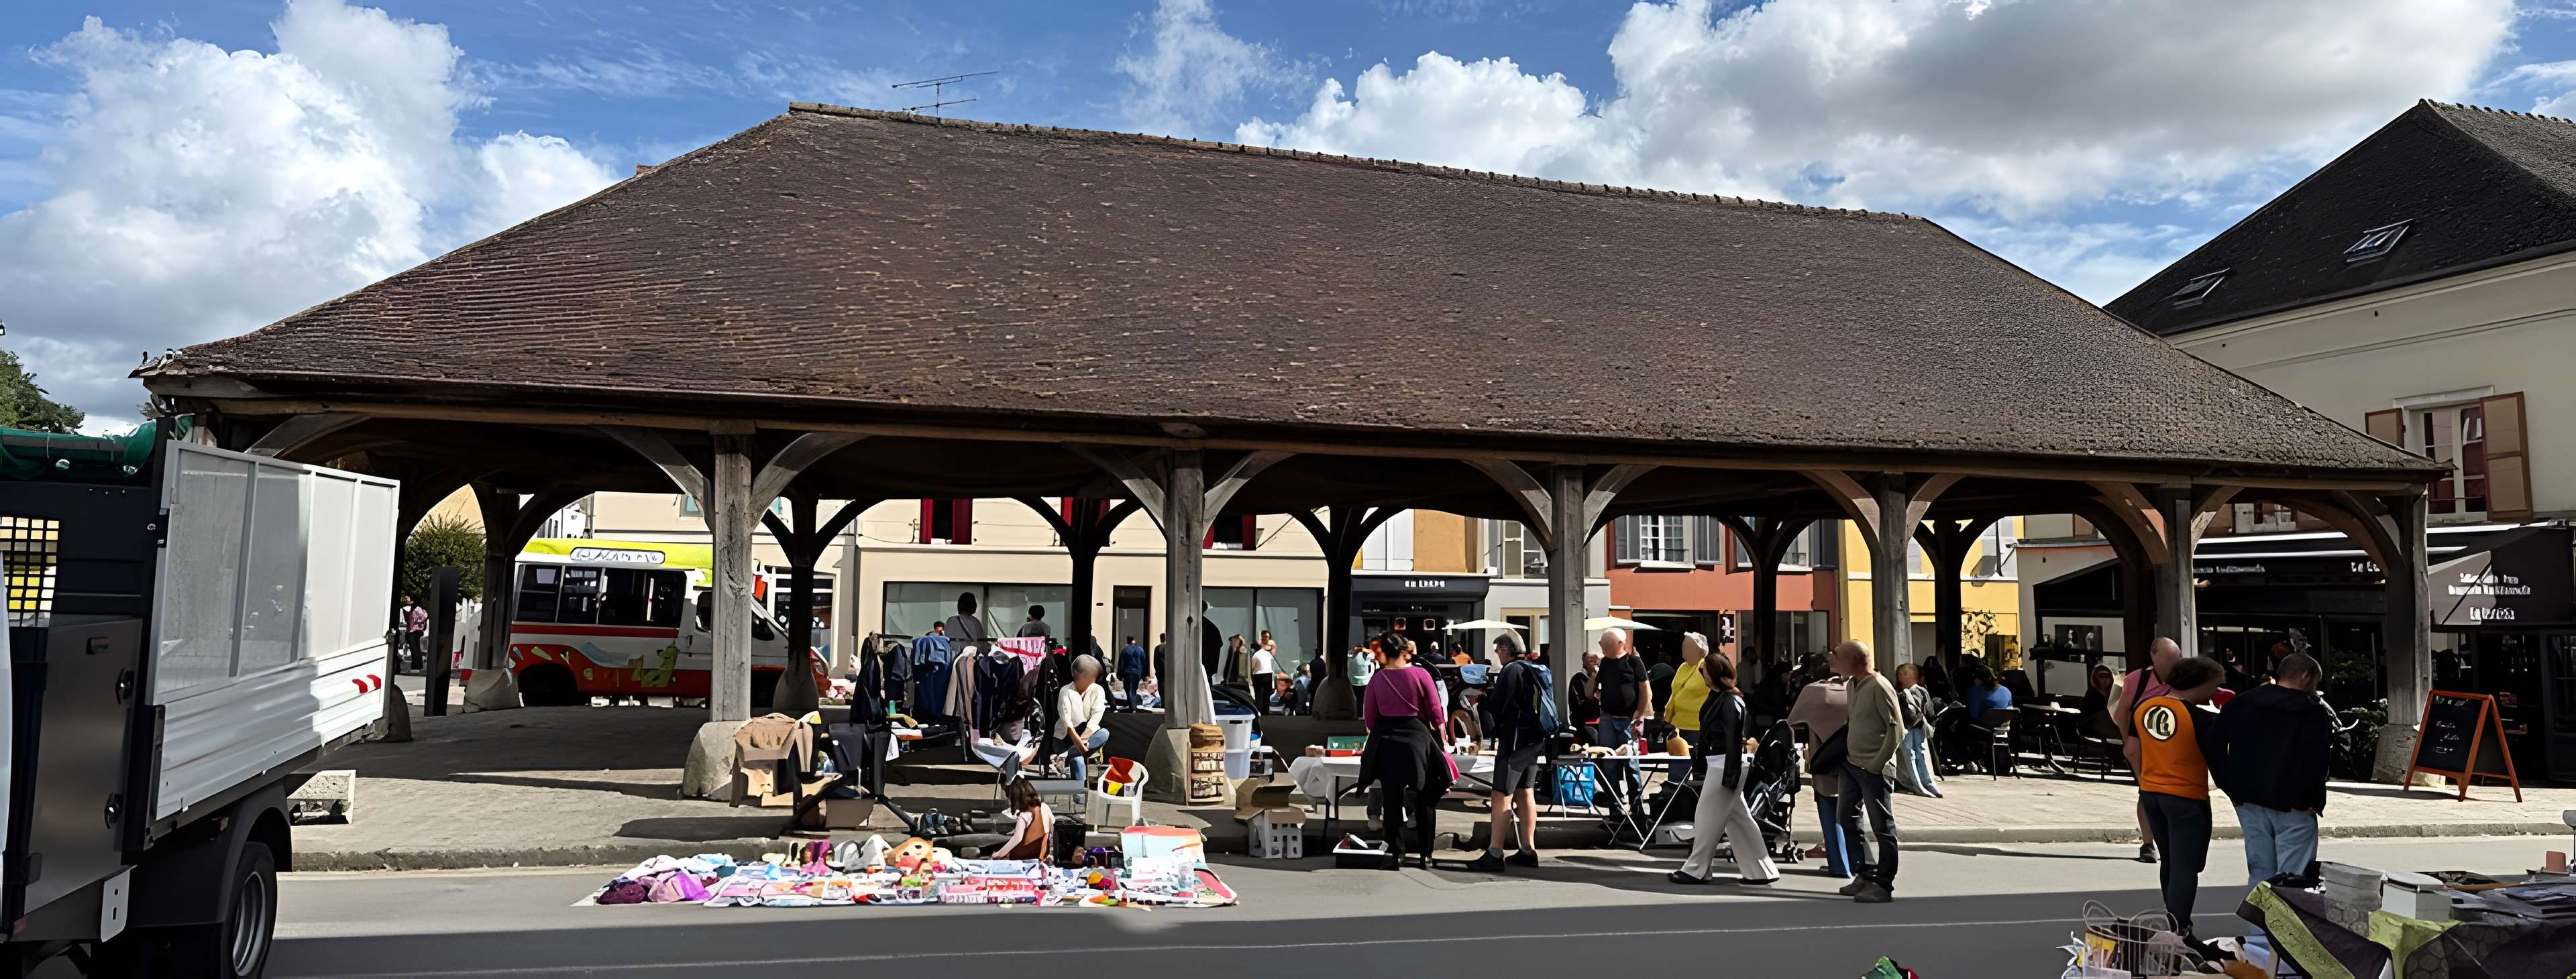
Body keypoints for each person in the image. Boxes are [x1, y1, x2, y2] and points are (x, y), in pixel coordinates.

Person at [2211, 652, 2332, 889]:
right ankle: (2285, 914)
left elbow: (2215, 747)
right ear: (2306, 676)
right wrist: (2313, 801)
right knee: (2292, 877)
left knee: (2260, 872)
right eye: (2316, 682)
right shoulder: (2312, 710)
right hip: (2294, 804)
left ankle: (2259, 913)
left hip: (2248, 799)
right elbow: (2316, 759)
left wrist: (2228, 785)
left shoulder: (2241, 703)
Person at [2132, 655, 2228, 940]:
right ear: (2199, 683)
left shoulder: (2143, 708)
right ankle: (2180, 931)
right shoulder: (2200, 718)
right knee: (2187, 866)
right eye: (2214, 685)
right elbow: (2219, 762)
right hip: (2186, 797)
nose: (2215, 692)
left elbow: (2132, 749)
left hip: (2152, 793)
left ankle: (2173, 921)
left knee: (2170, 861)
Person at [1669, 652, 1778, 886]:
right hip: (1723, 763)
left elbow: (1733, 740)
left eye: (1704, 670)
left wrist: (1730, 774)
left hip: (1725, 764)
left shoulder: (1729, 701)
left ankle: (1696, 870)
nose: (1701, 673)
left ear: (1714, 674)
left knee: (1707, 818)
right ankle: (1761, 870)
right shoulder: (1721, 697)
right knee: (1739, 820)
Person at [1350, 638, 1450, 869]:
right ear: (1404, 652)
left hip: (1387, 739)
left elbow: (1370, 718)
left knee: (1392, 799)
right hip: (1417, 737)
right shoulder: (1421, 674)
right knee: (1425, 795)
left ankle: (1396, 853)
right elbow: (1435, 710)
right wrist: (1441, 734)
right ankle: (1426, 855)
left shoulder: (1377, 678)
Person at [1468, 636, 1551, 872]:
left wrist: (1485, 695)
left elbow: (1497, 706)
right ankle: (1528, 850)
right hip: (1534, 740)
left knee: (1501, 793)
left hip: (1514, 740)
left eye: (1497, 650)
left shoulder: (1511, 670)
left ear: (1505, 650)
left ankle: (1495, 852)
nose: (1497, 654)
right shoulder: (1536, 668)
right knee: (1526, 792)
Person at [1832, 641, 1904, 904]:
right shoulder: (1852, 685)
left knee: (1883, 826)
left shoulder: (1879, 686)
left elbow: (1897, 729)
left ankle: (1884, 884)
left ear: (1854, 661)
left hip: (1874, 767)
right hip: (1852, 764)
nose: (1833, 662)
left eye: (1837, 657)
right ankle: (1866, 873)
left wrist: (1877, 763)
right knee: (1846, 818)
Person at [2116, 638, 2185, 864]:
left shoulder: (2184, 678)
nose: (2171, 669)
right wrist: (2129, 743)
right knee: (2146, 792)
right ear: (2153, 657)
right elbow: (2121, 715)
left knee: (2171, 795)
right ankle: (2148, 843)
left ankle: (2170, 840)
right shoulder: (2137, 680)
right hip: (2144, 748)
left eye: (2175, 662)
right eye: (2167, 663)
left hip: (2174, 749)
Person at [1786, 671, 1854, 880]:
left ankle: (1839, 863)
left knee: (1829, 811)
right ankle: (1855, 863)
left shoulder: (1813, 693)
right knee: (1853, 815)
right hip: (1855, 759)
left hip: (1824, 761)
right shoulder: (1857, 691)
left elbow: (1792, 722)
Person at [1592, 629, 1654, 819]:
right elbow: (1590, 692)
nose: (1602, 647)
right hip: (1608, 718)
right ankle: (1615, 805)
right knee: (1608, 763)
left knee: (1631, 762)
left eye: (1605, 644)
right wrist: (1593, 673)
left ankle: (1636, 804)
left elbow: (1645, 691)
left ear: (1619, 644)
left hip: (1628, 719)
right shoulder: (1605, 664)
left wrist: (1638, 717)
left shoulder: (1634, 662)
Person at [1048, 655, 1110, 785]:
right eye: (1086, 676)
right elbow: (1069, 727)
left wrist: (1082, 742)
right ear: (1076, 674)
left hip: (1086, 739)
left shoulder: (1098, 690)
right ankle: (1079, 797)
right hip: (1065, 739)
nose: (1090, 681)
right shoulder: (1066, 692)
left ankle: (1064, 758)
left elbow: (1095, 719)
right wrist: (1081, 747)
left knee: (1104, 733)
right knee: (1078, 761)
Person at [1665, 633, 1715, 781]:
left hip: (1697, 726)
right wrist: (1667, 718)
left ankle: (1695, 790)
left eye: (1686, 647)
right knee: (1678, 764)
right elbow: (1675, 693)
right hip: (1678, 725)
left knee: (1697, 765)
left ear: (1699, 649)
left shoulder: (1708, 666)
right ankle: (1675, 789)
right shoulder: (1683, 667)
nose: (1683, 651)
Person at [1892, 663, 1941, 798]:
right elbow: (1930, 711)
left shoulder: (1901, 693)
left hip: (1907, 727)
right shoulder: (1923, 691)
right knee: (1920, 753)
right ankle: (1927, 783)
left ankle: (1919, 785)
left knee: (1911, 755)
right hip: (1919, 726)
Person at [994, 776, 1054, 862]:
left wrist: (999, 854)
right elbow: (1052, 826)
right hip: (1042, 855)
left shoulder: (1025, 816)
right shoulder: (1045, 807)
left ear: (1015, 799)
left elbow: (1017, 838)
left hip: (1024, 857)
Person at [1570, 649, 1605, 730]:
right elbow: (1584, 704)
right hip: (1583, 722)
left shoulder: (1599, 677)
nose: (1594, 663)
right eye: (1591, 660)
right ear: (1584, 661)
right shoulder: (1578, 678)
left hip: (1598, 721)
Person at [396, 595, 428, 673]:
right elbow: (425, 616)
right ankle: (419, 666)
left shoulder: (412, 610)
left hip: (411, 631)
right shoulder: (420, 609)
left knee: (414, 649)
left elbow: (409, 621)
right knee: (417, 648)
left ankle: (416, 667)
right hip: (418, 631)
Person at [1118, 636, 1148, 711]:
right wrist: (1144, 675)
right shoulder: (1140, 650)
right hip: (1137, 673)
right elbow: (1144, 663)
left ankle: (1132, 706)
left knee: (1128, 689)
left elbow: (1121, 663)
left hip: (1127, 672)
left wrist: (1119, 675)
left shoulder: (1125, 650)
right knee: (1134, 690)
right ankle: (1133, 706)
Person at [1250, 638, 1279, 715]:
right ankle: (1266, 711)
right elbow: (1273, 665)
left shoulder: (1256, 655)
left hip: (1258, 675)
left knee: (1258, 694)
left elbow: (1253, 667)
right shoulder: (1268, 654)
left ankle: (1259, 710)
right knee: (1267, 694)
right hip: (1268, 674)